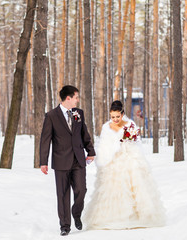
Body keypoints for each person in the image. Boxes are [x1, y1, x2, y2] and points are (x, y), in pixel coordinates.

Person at [83, 100, 165, 230]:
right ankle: (113, 216)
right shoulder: (106, 127)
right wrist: (107, 156)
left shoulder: (130, 124)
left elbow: (137, 142)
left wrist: (128, 139)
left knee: (134, 185)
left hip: (128, 158)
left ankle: (137, 216)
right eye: (112, 117)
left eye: (118, 116)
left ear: (122, 114)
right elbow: (104, 145)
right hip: (113, 161)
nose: (115, 119)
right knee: (113, 187)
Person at [40, 85, 95, 236]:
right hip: (61, 161)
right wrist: (43, 161)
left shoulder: (79, 113)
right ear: (68, 98)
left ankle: (76, 213)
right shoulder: (51, 116)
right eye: (76, 97)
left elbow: (84, 133)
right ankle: (65, 225)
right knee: (63, 194)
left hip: (78, 160)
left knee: (81, 190)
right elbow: (45, 140)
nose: (78, 100)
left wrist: (90, 151)